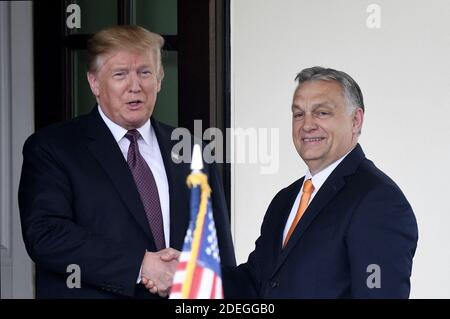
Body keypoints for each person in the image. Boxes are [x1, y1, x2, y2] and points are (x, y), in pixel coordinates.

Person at [18, 25, 235, 299]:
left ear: (159, 79)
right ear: (94, 82)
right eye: (120, 74)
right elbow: (46, 235)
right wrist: (142, 265)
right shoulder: (53, 148)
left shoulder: (192, 148)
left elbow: (218, 248)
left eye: (145, 72)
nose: (135, 86)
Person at [223, 67, 418, 298]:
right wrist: (187, 275)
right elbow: (255, 282)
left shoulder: (377, 201)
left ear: (356, 120)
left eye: (322, 113)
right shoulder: (285, 200)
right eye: (298, 114)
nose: (306, 125)